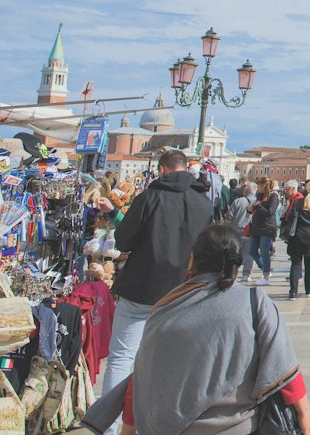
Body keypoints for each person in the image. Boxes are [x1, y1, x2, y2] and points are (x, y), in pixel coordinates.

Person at [85, 223, 310, 435]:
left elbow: (144, 378)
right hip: (236, 426)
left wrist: (127, 429)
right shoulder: (254, 302)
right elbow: (284, 369)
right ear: (237, 262)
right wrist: (304, 418)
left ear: (192, 260)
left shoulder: (163, 310)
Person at [100, 148, 219, 432]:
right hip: (183, 292)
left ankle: (110, 425)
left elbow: (124, 241)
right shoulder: (203, 204)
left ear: (162, 170)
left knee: (121, 356)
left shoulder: (148, 197)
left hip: (141, 288)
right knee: (174, 361)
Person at [284, 179, 310, 300]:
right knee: (309, 264)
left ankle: (293, 291)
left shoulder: (298, 202)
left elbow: (289, 216)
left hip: (296, 236)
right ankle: (308, 288)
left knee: (295, 264)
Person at [242, 179, 280, 285]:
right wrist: (251, 208)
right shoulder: (259, 195)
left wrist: (259, 206)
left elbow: (270, 212)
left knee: (264, 252)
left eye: (259, 185)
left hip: (267, 227)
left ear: (264, 185)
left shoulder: (273, 197)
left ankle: (266, 275)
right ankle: (265, 268)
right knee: (252, 251)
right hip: (256, 227)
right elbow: (256, 208)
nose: (258, 187)